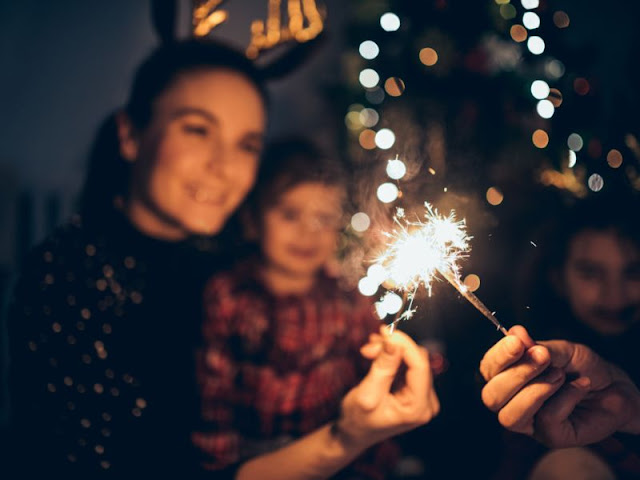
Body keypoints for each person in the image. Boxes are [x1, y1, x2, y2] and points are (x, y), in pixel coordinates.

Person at [5, 39, 437, 478]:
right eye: (197, 130)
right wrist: (346, 439)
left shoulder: (231, 256)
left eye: (246, 145)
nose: (224, 166)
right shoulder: (69, 279)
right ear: (130, 134)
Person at [192, 139, 440, 479]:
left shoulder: (347, 298)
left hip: (340, 456)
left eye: (323, 218)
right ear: (252, 220)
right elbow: (212, 397)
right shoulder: (228, 296)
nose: (308, 232)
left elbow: (370, 370)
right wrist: (216, 465)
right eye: (290, 214)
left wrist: (405, 365)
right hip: (254, 457)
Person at [482, 193, 640, 478]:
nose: (614, 295)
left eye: (633, 272)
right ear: (558, 278)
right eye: (590, 273)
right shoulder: (544, 370)